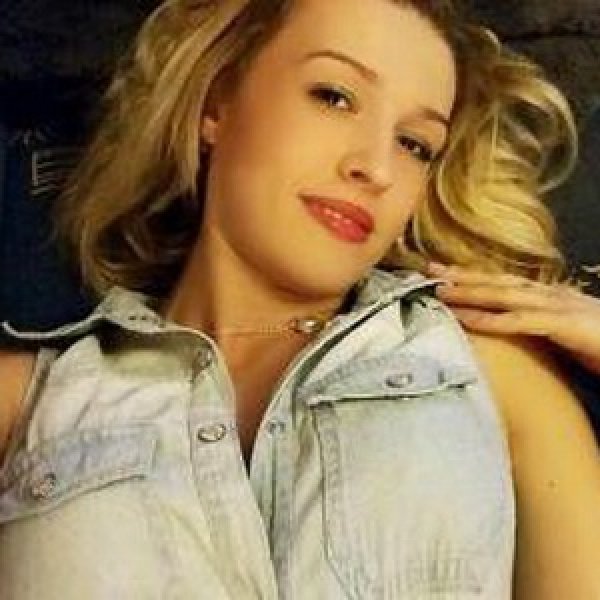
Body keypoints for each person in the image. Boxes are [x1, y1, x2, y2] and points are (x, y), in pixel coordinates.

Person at [0, 0, 598, 598]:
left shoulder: (492, 373)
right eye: (333, 97)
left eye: (415, 144)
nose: (377, 168)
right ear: (217, 104)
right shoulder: (28, 402)